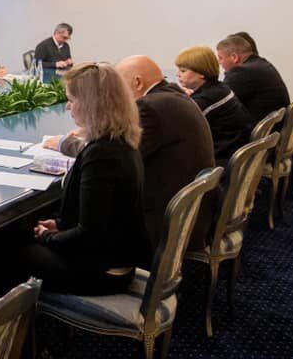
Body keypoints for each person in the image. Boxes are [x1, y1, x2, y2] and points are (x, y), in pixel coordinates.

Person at [49, 56, 215, 252]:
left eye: (118, 84)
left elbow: (110, 155)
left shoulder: (149, 107)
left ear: (137, 82)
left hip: (159, 225)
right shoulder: (171, 96)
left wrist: (64, 143)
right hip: (191, 213)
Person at [21, 63, 151, 294]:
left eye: (72, 100)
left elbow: (89, 235)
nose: (68, 106)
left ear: (91, 104)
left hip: (101, 272)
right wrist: (60, 226)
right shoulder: (120, 141)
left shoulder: (102, 154)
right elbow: (100, 217)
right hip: (115, 259)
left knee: (6, 249)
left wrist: (48, 236)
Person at [175, 45, 253, 165]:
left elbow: (178, 128)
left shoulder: (206, 99)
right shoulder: (220, 89)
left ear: (201, 73)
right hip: (233, 154)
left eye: (183, 71)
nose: (177, 74)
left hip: (221, 162)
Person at [217, 34, 289, 125]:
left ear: (234, 57)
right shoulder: (261, 64)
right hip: (276, 128)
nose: (219, 63)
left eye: (220, 58)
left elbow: (218, 102)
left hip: (262, 131)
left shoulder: (242, 72)